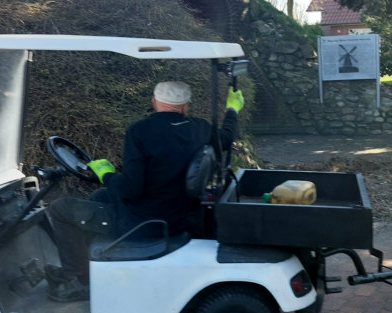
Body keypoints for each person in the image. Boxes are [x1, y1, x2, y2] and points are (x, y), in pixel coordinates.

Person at [45, 80, 244, 301]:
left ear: (154, 101)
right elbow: (227, 137)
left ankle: (77, 282)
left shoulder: (139, 132)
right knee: (101, 197)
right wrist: (232, 109)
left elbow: (131, 189)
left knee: (60, 208)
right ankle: (92, 267)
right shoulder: (201, 128)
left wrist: (106, 175)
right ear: (185, 105)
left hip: (143, 223)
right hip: (179, 215)